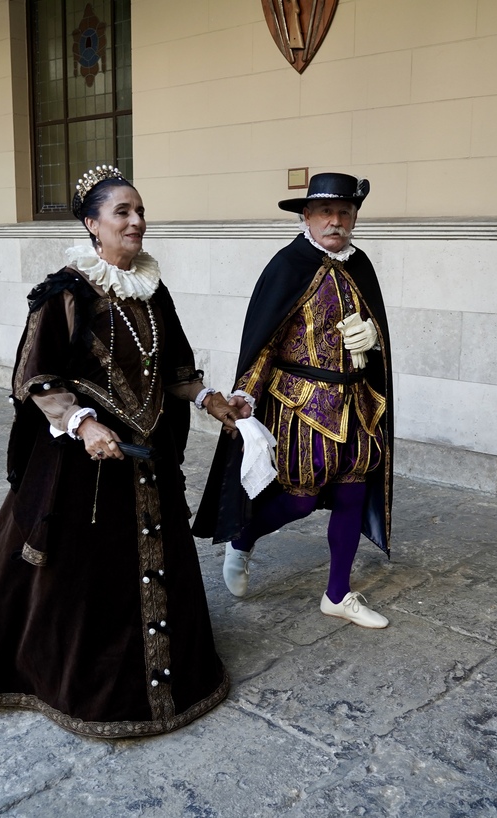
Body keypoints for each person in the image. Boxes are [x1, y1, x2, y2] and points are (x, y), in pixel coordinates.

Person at [0, 165, 246, 738]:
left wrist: (208, 398)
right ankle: (67, 677)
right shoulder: (67, 290)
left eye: (140, 211)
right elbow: (32, 377)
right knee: (79, 580)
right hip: (87, 466)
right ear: (92, 224)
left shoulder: (152, 289)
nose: (136, 221)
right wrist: (80, 425)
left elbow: (173, 368)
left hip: (147, 458)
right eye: (122, 212)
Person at [193, 172, 394, 629]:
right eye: (326, 212)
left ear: (355, 218)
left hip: (357, 404)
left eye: (345, 212)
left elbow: (374, 328)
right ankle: (243, 538)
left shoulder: (360, 266)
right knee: (301, 499)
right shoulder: (287, 265)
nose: (335, 221)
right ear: (307, 216)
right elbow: (263, 340)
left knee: (352, 492)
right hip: (302, 403)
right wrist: (246, 393)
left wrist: (376, 338)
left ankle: (338, 594)